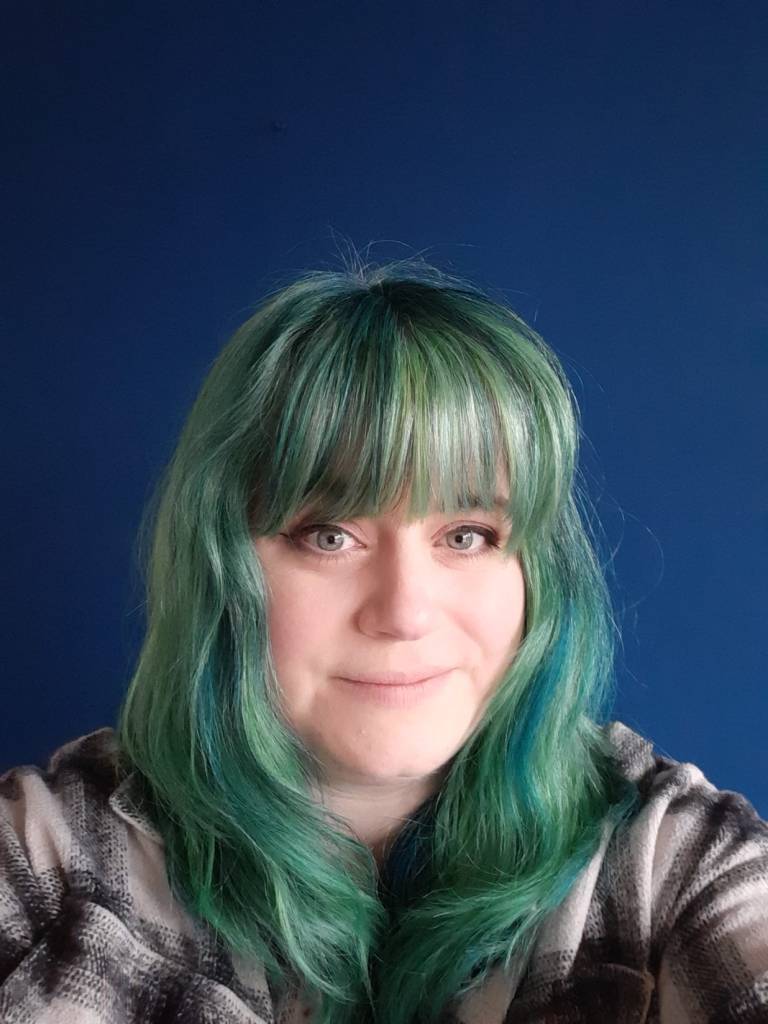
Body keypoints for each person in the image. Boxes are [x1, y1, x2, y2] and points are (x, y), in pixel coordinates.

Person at [1, 259, 767, 1024]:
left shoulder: (673, 861)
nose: (403, 613)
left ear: (538, 572)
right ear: (220, 568)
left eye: (466, 534)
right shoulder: (42, 866)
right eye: (329, 535)